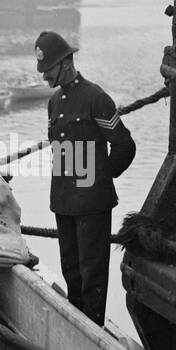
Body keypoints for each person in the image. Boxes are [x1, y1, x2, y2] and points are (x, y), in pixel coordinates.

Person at [35, 30, 136, 326]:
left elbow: (124, 146)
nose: (44, 76)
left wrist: (100, 178)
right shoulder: (54, 103)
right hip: (64, 201)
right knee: (71, 270)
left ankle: (93, 331)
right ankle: (77, 329)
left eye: (48, 69)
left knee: (92, 275)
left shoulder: (96, 98)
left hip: (91, 203)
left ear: (66, 63)